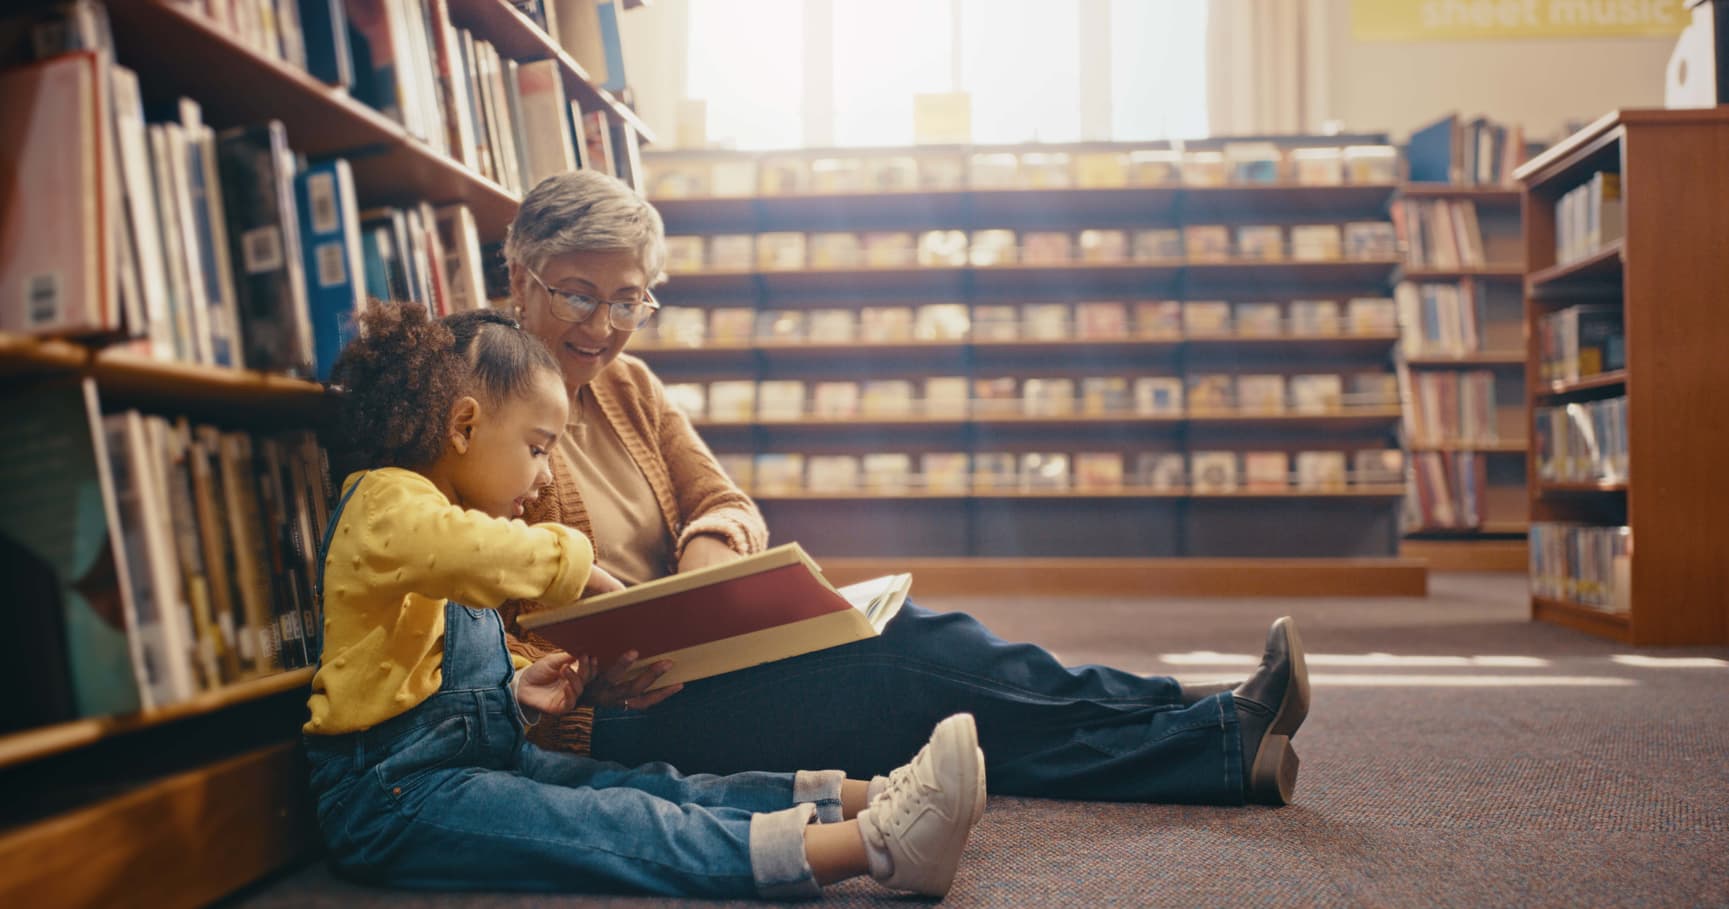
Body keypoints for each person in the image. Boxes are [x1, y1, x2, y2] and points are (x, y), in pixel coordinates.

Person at [498, 170, 1311, 806]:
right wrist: (592, 676)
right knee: (901, 662)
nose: (602, 325)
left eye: (628, 299)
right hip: (614, 715)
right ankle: (1190, 719)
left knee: (910, 671)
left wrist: (695, 588)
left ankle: (1207, 735)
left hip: (708, 657)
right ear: (519, 275)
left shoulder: (629, 384)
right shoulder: (478, 402)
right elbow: (474, 603)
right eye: (577, 294)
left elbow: (723, 502)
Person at [302, 302, 989, 899]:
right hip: (392, 798)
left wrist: (514, 688)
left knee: (643, 786)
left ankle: (866, 796)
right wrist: (583, 568)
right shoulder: (388, 501)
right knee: (615, 825)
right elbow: (475, 554)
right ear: (461, 427)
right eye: (538, 449)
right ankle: (874, 846)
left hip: (472, 760)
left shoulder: (446, 514)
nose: (542, 479)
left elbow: (423, 670)